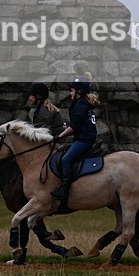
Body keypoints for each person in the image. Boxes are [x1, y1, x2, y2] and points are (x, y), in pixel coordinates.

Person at [50, 76, 100, 205]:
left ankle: (65, 191)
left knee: (66, 159)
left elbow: (73, 128)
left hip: (85, 140)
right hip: (83, 138)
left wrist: (59, 137)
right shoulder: (82, 104)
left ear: (79, 92)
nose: (70, 93)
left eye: (72, 90)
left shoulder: (80, 106)